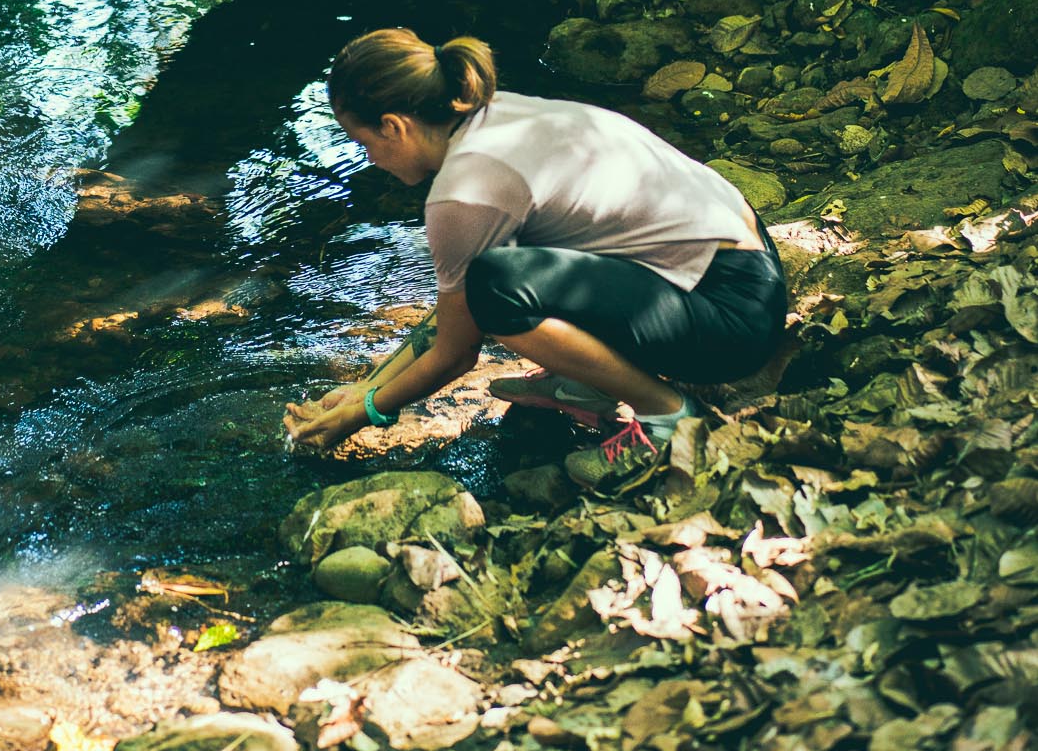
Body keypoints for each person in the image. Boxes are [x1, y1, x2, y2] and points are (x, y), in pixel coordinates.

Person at [283, 27, 787, 466]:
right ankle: (589, 380)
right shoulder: (497, 113)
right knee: (496, 278)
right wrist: (366, 384)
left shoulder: (462, 193)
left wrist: (366, 412)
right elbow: (450, 310)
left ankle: (667, 417)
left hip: (729, 324)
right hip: (755, 272)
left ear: (394, 125)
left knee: (497, 288)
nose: (370, 159)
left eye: (364, 142)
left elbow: (456, 351)